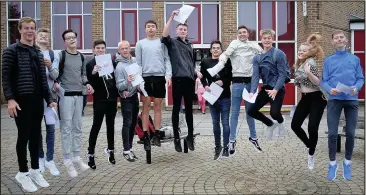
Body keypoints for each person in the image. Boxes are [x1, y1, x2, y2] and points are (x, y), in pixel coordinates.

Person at [2, 17, 57, 192]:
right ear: (20, 30)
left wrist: (49, 99)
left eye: (32, 28)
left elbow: (42, 79)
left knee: (36, 136)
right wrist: (10, 99)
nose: (29, 31)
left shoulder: (37, 52)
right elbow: (6, 78)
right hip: (20, 100)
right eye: (26, 28)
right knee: (23, 136)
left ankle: (34, 170)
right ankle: (22, 172)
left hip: (37, 100)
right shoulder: (11, 51)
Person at [321, 30, 364, 181]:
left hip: (351, 100)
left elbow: (360, 78)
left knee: (351, 134)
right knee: (332, 134)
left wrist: (356, 88)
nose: (339, 39)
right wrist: (328, 89)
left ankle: (347, 162)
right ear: (332, 42)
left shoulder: (355, 59)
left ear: (346, 40)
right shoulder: (328, 61)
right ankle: (333, 164)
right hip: (334, 100)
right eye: (336, 38)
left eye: (341, 37)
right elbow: (323, 81)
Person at [216, 25, 263, 154]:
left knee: (250, 112)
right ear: (237, 34)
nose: (242, 34)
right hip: (237, 82)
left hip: (250, 83)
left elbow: (262, 54)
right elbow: (225, 55)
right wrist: (221, 63)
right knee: (235, 112)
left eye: (244, 32)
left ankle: (253, 138)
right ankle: (232, 140)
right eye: (240, 32)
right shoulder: (234, 44)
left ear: (248, 34)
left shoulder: (253, 45)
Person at [53, 29, 93, 178]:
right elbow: (55, 73)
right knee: (66, 128)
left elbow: (83, 75)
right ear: (65, 41)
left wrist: (87, 84)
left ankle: (76, 157)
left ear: (77, 39)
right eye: (68, 38)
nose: (71, 40)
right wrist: (52, 69)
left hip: (79, 96)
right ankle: (67, 160)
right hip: (65, 96)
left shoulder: (82, 57)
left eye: (73, 37)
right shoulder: (61, 55)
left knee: (78, 127)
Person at [162, 10, 202, 152]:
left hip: (189, 80)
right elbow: (164, 34)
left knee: (189, 109)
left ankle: (190, 136)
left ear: (187, 31)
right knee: (176, 109)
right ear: (177, 31)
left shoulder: (190, 45)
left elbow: (191, 63)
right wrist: (171, 17)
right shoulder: (172, 42)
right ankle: (177, 139)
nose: (183, 31)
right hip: (178, 79)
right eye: (180, 29)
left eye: (185, 29)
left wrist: (196, 71)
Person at [291, 34, 327, 170]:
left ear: (309, 53)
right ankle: (309, 145)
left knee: (312, 127)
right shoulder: (300, 64)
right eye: (299, 50)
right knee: (295, 125)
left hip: (317, 99)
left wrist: (309, 73)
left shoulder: (309, 63)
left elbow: (318, 82)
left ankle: (311, 154)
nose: (300, 52)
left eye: (303, 51)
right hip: (305, 98)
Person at [135, 20, 172, 150]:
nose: (151, 29)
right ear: (145, 29)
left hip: (159, 77)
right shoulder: (140, 44)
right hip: (146, 77)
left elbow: (167, 59)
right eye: (148, 27)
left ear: (156, 29)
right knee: (145, 107)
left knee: (157, 107)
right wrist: (139, 80)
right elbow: (138, 63)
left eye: (153, 27)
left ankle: (156, 133)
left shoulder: (161, 43)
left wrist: (168, 75)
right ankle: (145, 135)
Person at [248, 29, 290, 140]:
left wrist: (276, 89)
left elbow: (282, 74)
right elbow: (256, 76)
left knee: (275, 113)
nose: (267, 40)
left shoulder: (279, 54)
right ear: (261, 40)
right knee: (251, 110)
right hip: (266, 89)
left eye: (269, 38)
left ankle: (281, 122)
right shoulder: (257, 57)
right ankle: (271, 125)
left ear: (273, 39)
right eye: (264, 38)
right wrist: (252, 91)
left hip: (278, 89)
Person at [85, 40, 118, 169]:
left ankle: (110, 150)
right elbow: (89, 81)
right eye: (98, 48)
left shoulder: (110, 61)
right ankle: (91, 153)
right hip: (99, 100)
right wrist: (93, 72)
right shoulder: (90, 64)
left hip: (112, 99)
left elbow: (114, 78)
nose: (100, 50)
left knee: (111, 126)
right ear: (93, 49)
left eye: (102, 48)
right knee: (96, 127)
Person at [200, 40, 232, 159]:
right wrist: (205, 85)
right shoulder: (205, 61)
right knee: (215, 123)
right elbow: (202, 77)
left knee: (225, 123)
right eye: (213, 48)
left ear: (221, 50)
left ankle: (226, 147)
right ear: (210, 49)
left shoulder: (226, 61)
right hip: (212, 96)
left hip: (225, 96)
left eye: (218, 48)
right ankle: (217, 146)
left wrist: (223, 81)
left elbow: (231, 76)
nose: (216, 49)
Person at [35, 28, 60, 176]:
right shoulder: (33, 52)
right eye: (41, 35)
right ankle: (40, 158)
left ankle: (50, 160)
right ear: (36, 38)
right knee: (36, 129)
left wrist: (50, 65)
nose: (44, 37)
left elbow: (56, 75)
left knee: (50, 129)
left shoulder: (53, 54)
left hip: (50, 98)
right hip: (36, 98)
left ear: (48, 39)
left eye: (46, 36)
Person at [115, 40, 140, 162]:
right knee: (127, 123)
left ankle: (130, 148)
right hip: (126, 98)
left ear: (130, 49)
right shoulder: (119, 67)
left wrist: (139, 85)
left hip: (135, 95)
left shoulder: (135, 61)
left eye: (127, 48)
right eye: (122, 48)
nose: (125, 50)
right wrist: (128, 81)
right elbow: (119, 86)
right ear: (119, 51)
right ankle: (126, 149)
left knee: (134, 122)